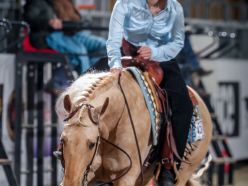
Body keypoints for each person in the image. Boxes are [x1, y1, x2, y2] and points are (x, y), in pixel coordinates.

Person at [106, 0, 193, 185]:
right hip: (126, 55)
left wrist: (154, 52)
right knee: (89, 84)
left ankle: (169, 167)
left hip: (161, 58)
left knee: (183, 106)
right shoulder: (124, 4)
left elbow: (177, 42)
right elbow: (113, 38)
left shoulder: (175, 8)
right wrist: (114, 64)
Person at [24, 0, 106, 93]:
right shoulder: (38, 2)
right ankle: (85, 87)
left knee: (104, 46)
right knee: (79, 52)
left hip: (72, 32)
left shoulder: (67, 2)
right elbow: (30, 17)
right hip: (50, 34)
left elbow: (74, 17)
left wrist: (80, 22)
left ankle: (60, 79)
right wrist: (49, 21)